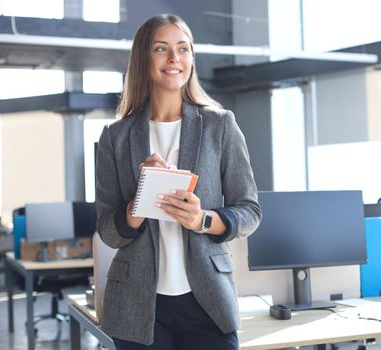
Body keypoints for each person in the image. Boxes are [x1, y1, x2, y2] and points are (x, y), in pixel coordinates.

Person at [95, 14, 262, 350]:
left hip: (207, 301)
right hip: (136, 304)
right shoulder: (115, 137)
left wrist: (202, 220)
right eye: (161, 49)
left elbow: (250, 211)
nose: (174, 59)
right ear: (143, 58)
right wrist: (138, 203)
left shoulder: (220, 125)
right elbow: (107, 231)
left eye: (183, 49)